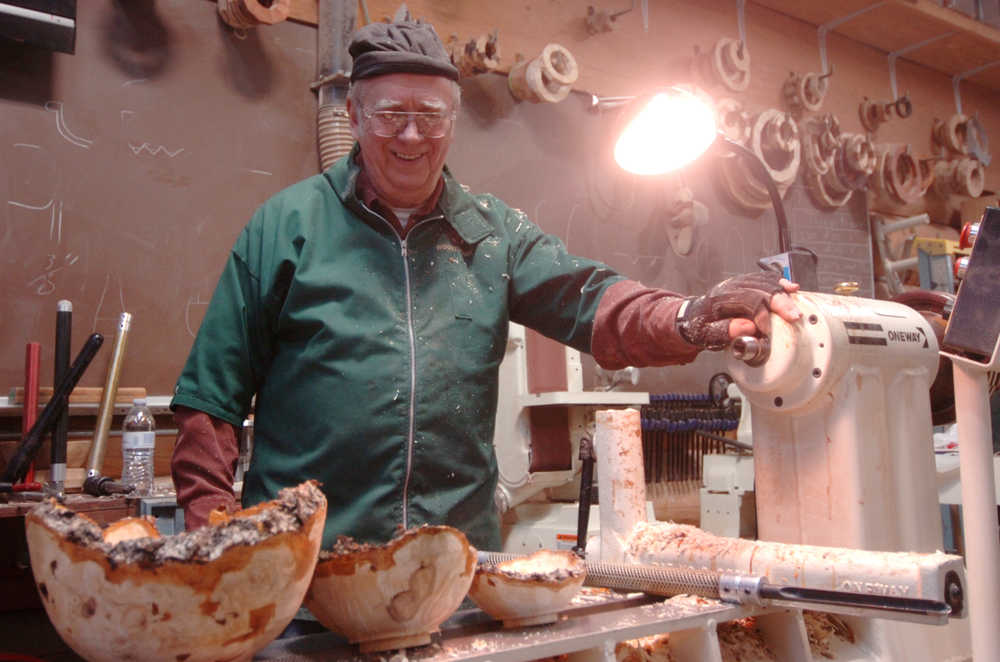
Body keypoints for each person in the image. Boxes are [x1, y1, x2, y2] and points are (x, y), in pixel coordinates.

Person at [170, 19, 800, 552]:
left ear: (455, 117)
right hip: (306, 567)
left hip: (451, 570)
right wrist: (213, 545)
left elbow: (594, 301)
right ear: (354, 115)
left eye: (430, 115)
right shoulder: (286, 227)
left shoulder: (492, 234)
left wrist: (686, 317)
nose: (412, 135)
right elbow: (212, 402)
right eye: (391, 114)